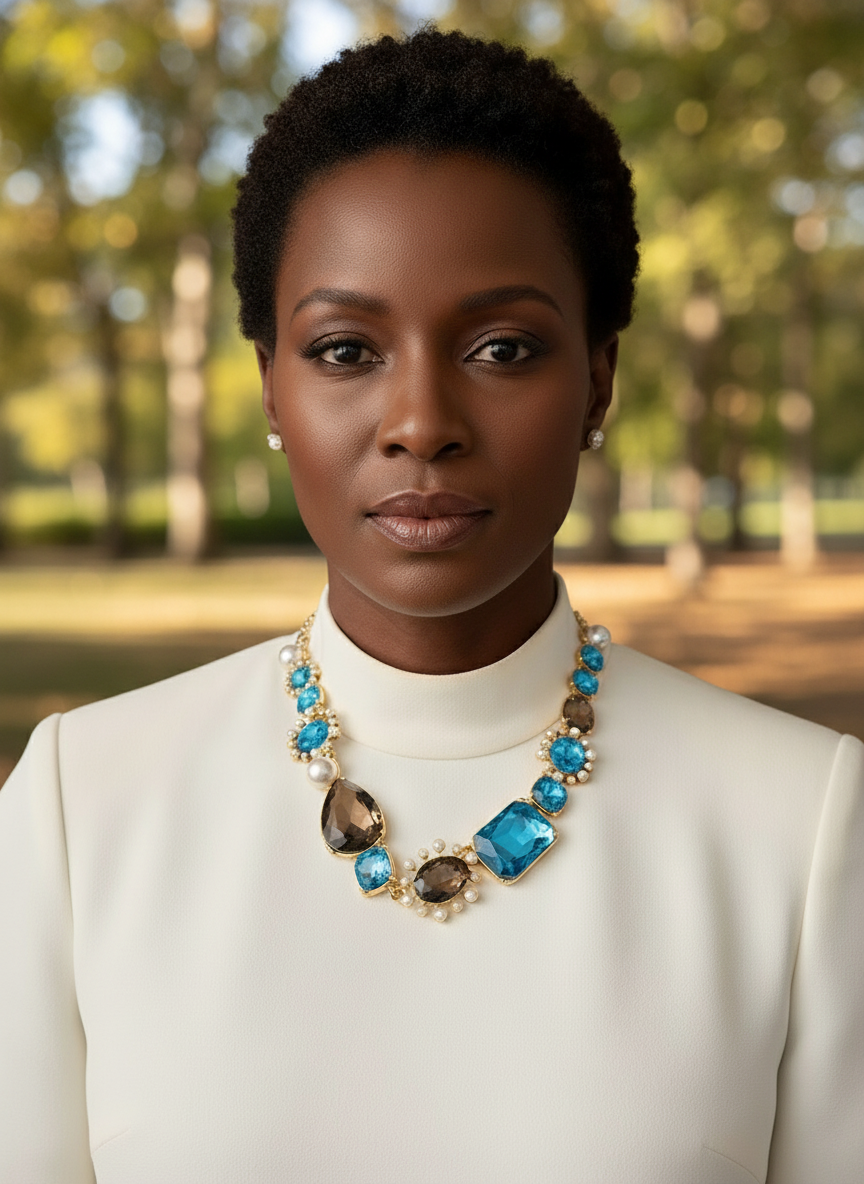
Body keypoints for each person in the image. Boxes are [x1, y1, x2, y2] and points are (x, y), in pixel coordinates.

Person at [1, 24, 861, 1184]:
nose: (421, 419)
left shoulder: (804, 823)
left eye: (503, 347)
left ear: (600, 379)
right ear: (270, 382)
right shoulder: (75, 804)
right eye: (347, 348)